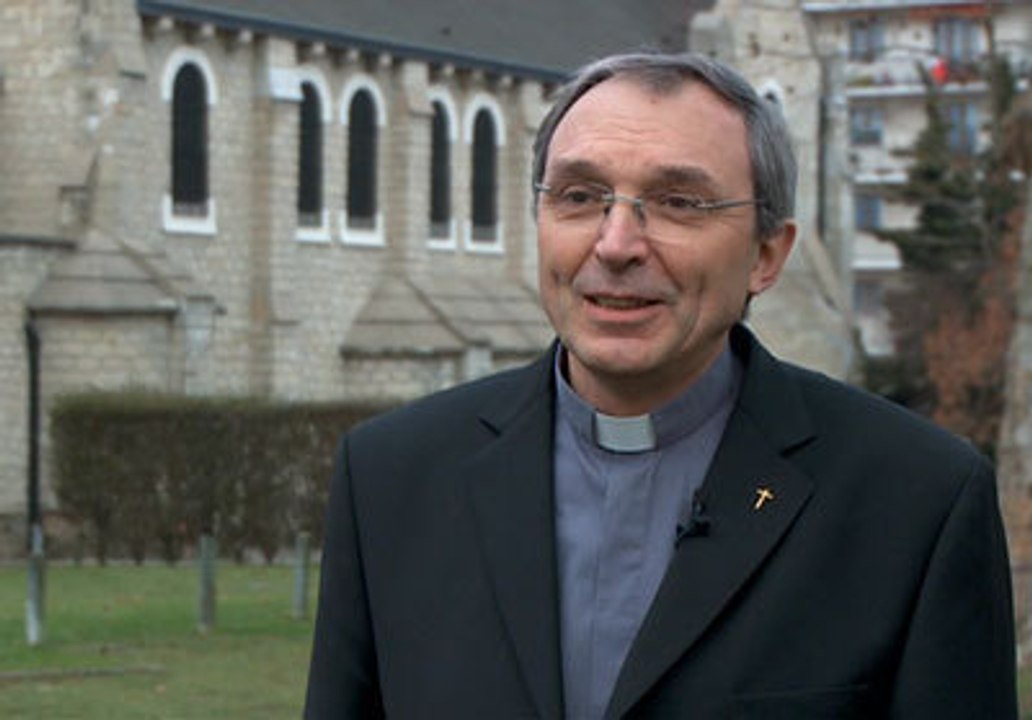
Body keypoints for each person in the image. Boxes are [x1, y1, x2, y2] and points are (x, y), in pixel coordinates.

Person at [304, 51, 1017, 719]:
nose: (616, 245)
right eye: (579, 196)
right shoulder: (391, 480)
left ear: (767, 255)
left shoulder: (916, 504)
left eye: (679, 202)